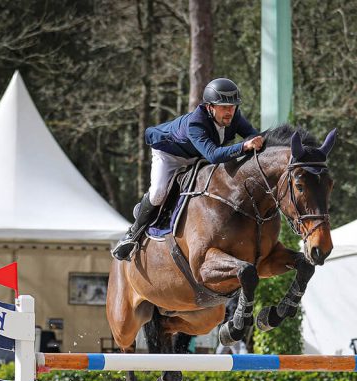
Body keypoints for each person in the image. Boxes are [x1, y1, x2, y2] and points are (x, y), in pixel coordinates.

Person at [112, 77, 264, 261]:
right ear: (210, 107)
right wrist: (243, 146)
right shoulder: (196, 123)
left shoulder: (234, 116)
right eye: (224, 107)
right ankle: (133, 233)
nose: (229, 112)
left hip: (195, 156)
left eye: (232, 106)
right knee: (158, 193)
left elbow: (253, 135)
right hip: (169, 155)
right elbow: (214, 155)